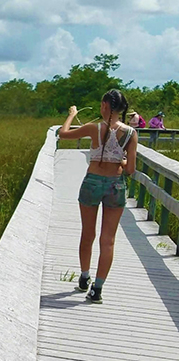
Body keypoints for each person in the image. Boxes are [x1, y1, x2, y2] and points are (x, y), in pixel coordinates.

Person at [57, 89, 138, 304]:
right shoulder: (131, 133)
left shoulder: (94, 128)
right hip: (116, 186)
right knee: (108, 240)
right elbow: (130, 169)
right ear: (122, 110)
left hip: (92, 182)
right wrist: (118, 161)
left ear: (104, 105)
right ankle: (97, 289)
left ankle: (84, 277)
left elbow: (63, 134)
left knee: (87, 233)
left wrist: (72, 115)